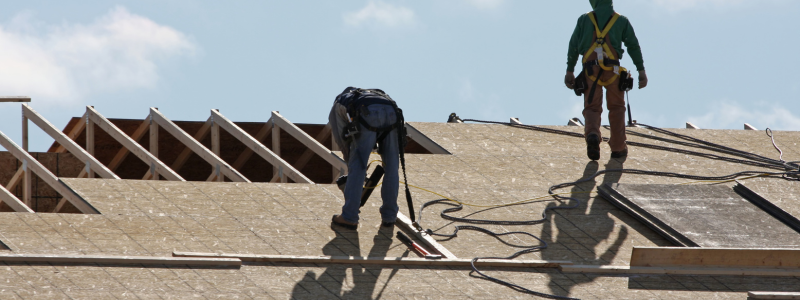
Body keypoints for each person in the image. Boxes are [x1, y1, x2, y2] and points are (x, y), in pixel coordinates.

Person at [564, 0, 648, 160]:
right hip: (613, 70)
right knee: (616, 108)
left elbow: (573, 46)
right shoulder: (621, 20)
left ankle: (593, 134)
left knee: (592, 108)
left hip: (590, 69)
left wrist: (570, 71)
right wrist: (641, 70)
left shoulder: (584, 19)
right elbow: (633, 45)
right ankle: (618, 147)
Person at [328, 87, 403, 230]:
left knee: (358, 165)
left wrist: (354, 173)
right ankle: (389, 216)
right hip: (392, 111)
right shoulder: (370, 95)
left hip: (367, 112)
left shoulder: (338, 106)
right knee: (392, 166)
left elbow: (344, 144)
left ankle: (349, 217)